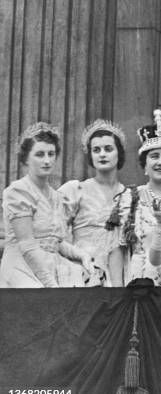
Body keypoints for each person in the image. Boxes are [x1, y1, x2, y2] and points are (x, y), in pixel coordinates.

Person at [0, 123, 96, 287]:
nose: (46, 160)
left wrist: (82, 256)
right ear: (26, 159)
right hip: (22, 266)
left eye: (51, 154)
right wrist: (50, 285)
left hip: (50, 264)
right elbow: (27, 245)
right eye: (39, 154)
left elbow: (55, 242)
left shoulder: (56, 196)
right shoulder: (18, 192)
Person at [59, 120, 127, 286]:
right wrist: (80, 257)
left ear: (119, 153)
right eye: (96, 150)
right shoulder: (76, 189)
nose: (102, 154)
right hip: (82, 272)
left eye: (108, 149)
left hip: (118, 276)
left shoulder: (129, 195)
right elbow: (52, 235)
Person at [121, 109, 161, 286]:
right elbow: (119, 248)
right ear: (145, 165)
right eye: (154, 156)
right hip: (137, 278)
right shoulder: (130, 198)